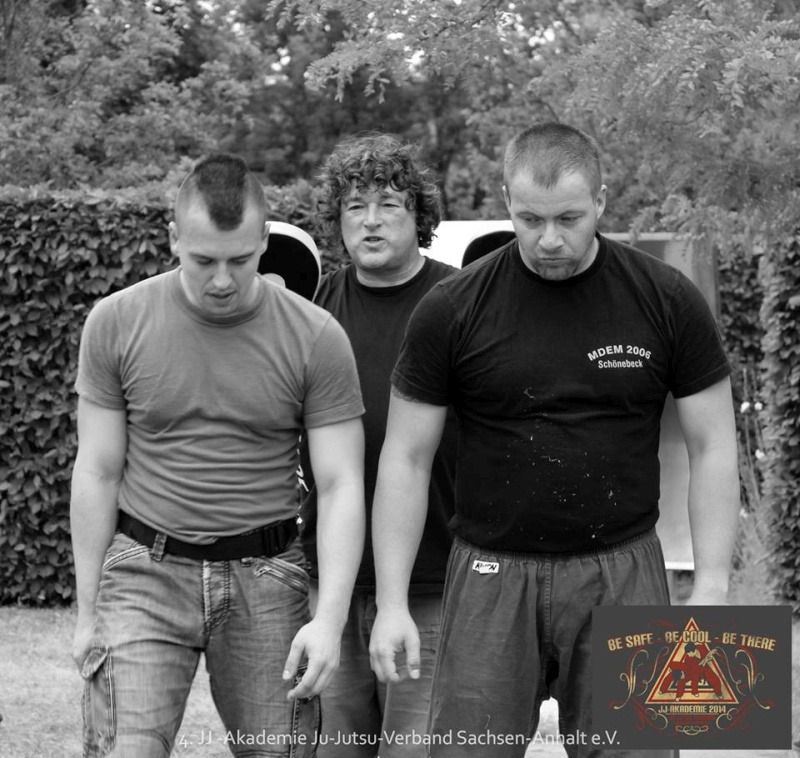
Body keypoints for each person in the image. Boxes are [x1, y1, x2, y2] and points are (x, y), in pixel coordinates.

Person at [369, 122, 740, 758]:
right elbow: (405, 459)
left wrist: (712, 587)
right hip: (489, 576)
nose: (549, 240)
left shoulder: (667, 299)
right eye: (530, 219)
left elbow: (713, 447)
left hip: (622, 574)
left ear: (601, 200)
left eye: (569, 218)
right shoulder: (452, 308)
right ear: (506, 202)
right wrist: (392, 603)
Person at [70, 153, 366, 757]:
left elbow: (340, 484)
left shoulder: (316, 336)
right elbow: (97, 471)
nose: (223, 280)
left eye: (241, 259)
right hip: (144, 574)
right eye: (204, 260)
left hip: (268, 576)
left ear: (264, 241)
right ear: (173, 239)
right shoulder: (116, 322)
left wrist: (329, 619)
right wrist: (86, 612)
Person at [298, 133, 458, 757]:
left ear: (419, 216)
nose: (370, 221)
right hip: (328, 587)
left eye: (389, 204)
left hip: (433, 584)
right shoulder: (315, 311)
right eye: (355, 206)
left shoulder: (459, 304)